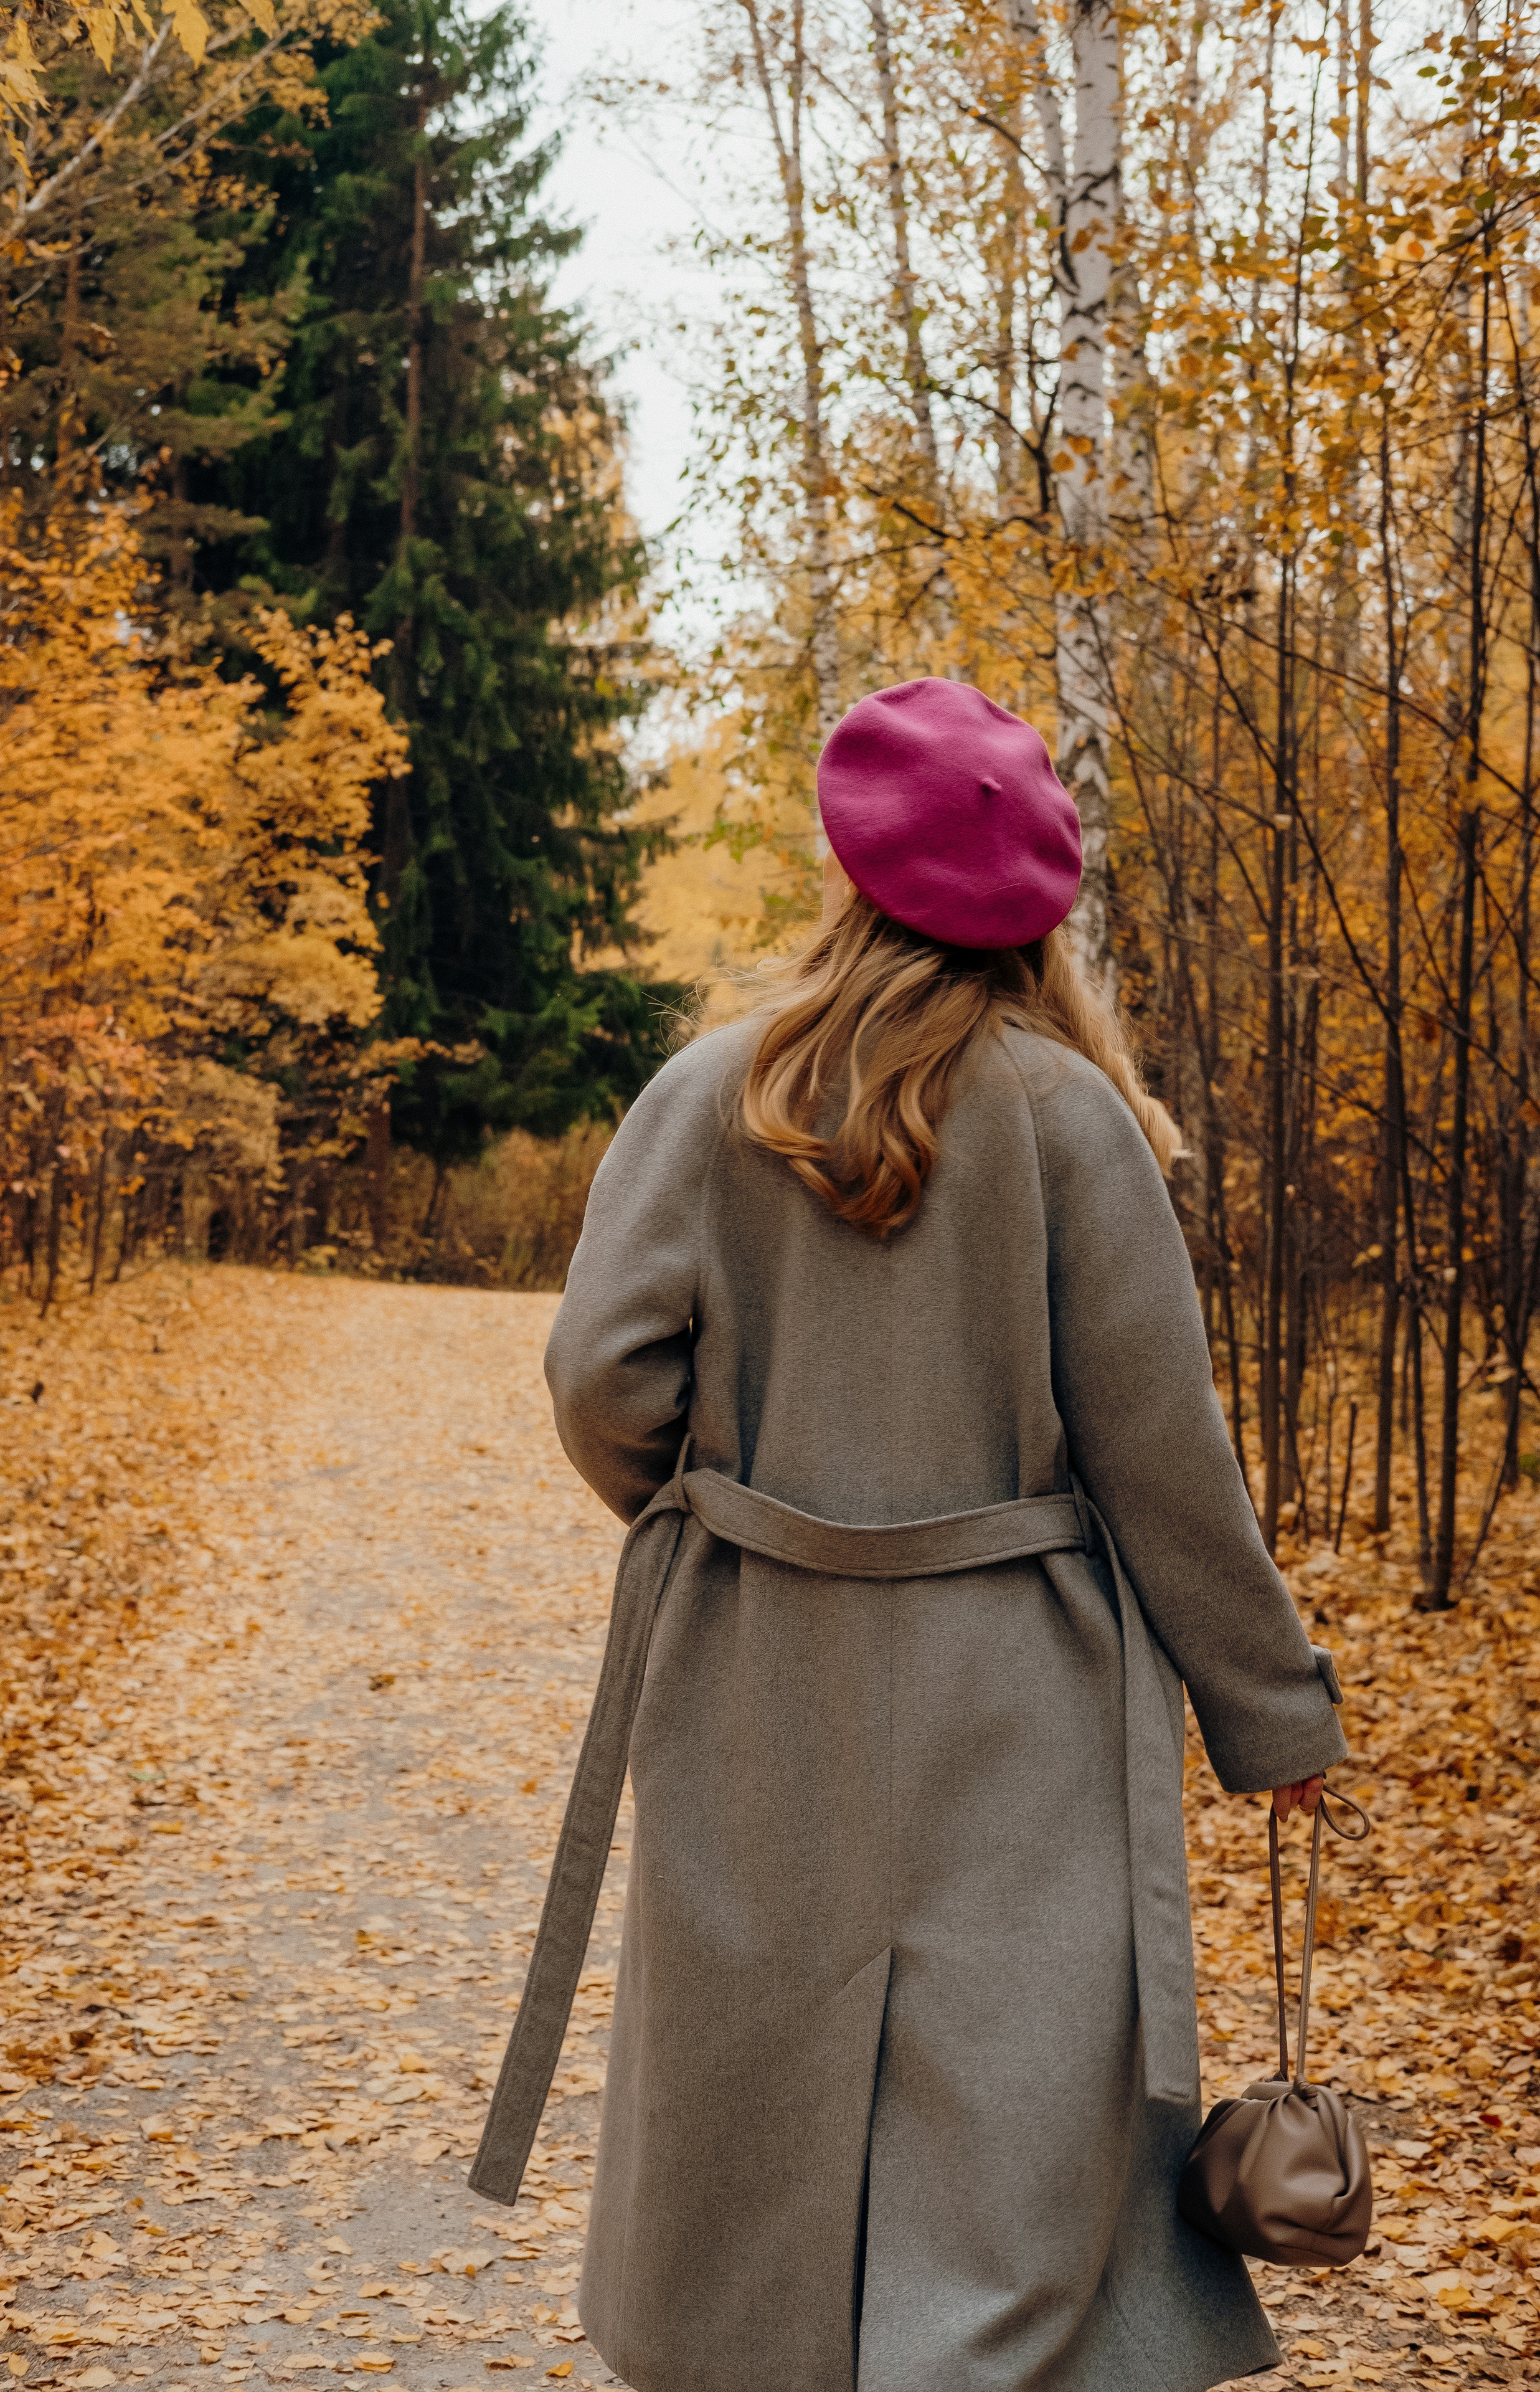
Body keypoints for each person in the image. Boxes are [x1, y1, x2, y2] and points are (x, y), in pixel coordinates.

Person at [470, 678, 1348, 2392]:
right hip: (1014, 1702)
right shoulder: (1073, 1123)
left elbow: (597, 1376)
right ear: (1039, 918)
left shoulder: (709, 1091)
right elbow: (1170, 1465)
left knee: (753, 2079)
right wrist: (1274, 1715)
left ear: (850, 876)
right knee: (1006, 2116)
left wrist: (718, 1506)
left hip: (753, 1678)